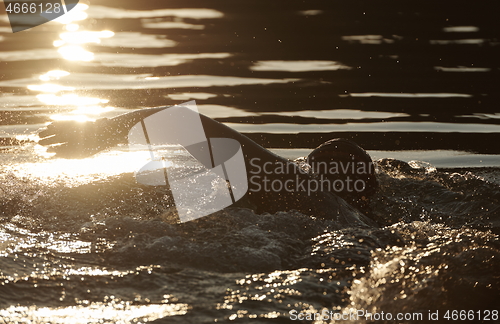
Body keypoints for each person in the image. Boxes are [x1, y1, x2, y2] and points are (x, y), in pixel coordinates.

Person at [38, 105, 378, 228]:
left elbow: (181, 122)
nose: (299, 171)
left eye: (306, 169)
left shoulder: (308, 192)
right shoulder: (363, 219)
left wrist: (101, 129)